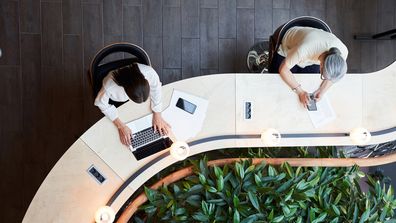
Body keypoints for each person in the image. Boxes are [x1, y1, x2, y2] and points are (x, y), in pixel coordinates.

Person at [269, 26, 348, 108]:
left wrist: (322, 90)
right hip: (288, 49)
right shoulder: (305, 49)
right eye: (323, 75)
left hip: (310, 59)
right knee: (278, 85)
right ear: (322, 65)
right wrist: (300, 92)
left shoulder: (343, 53)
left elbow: (332, 77)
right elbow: (283, 70)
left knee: (308, 84)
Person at [94, 63, 170, 146]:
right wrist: (121, 126)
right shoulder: (110, 87)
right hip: (117, 101)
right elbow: (100, 103)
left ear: (147, 80)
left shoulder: (149, 73)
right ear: (125, 91)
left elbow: (156, 88)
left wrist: (157, 114)